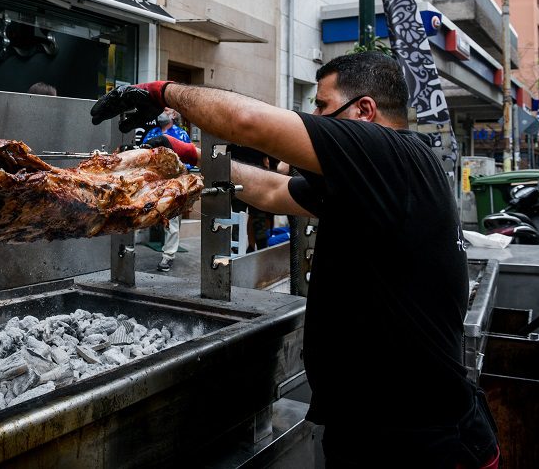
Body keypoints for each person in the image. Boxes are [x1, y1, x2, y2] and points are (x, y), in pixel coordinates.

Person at [90, 51, 499, 468]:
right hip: (375, 431)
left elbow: (248, 123)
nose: (316, 116)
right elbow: (272, 191)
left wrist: (162, 92)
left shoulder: (394, 156)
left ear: (364, 110)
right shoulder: (374, 182)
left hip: (423, 443)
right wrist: (189, 154)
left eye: (322, 107)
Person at [139, 111, 194, 272]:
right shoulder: (152, 133)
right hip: (152, 181)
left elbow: (188, 160)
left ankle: (168, 256)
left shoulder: (181, 134)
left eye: (165, 110)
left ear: (174, 115)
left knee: (172, 220)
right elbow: (143, 154)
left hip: (173, 181)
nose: (161, 113)